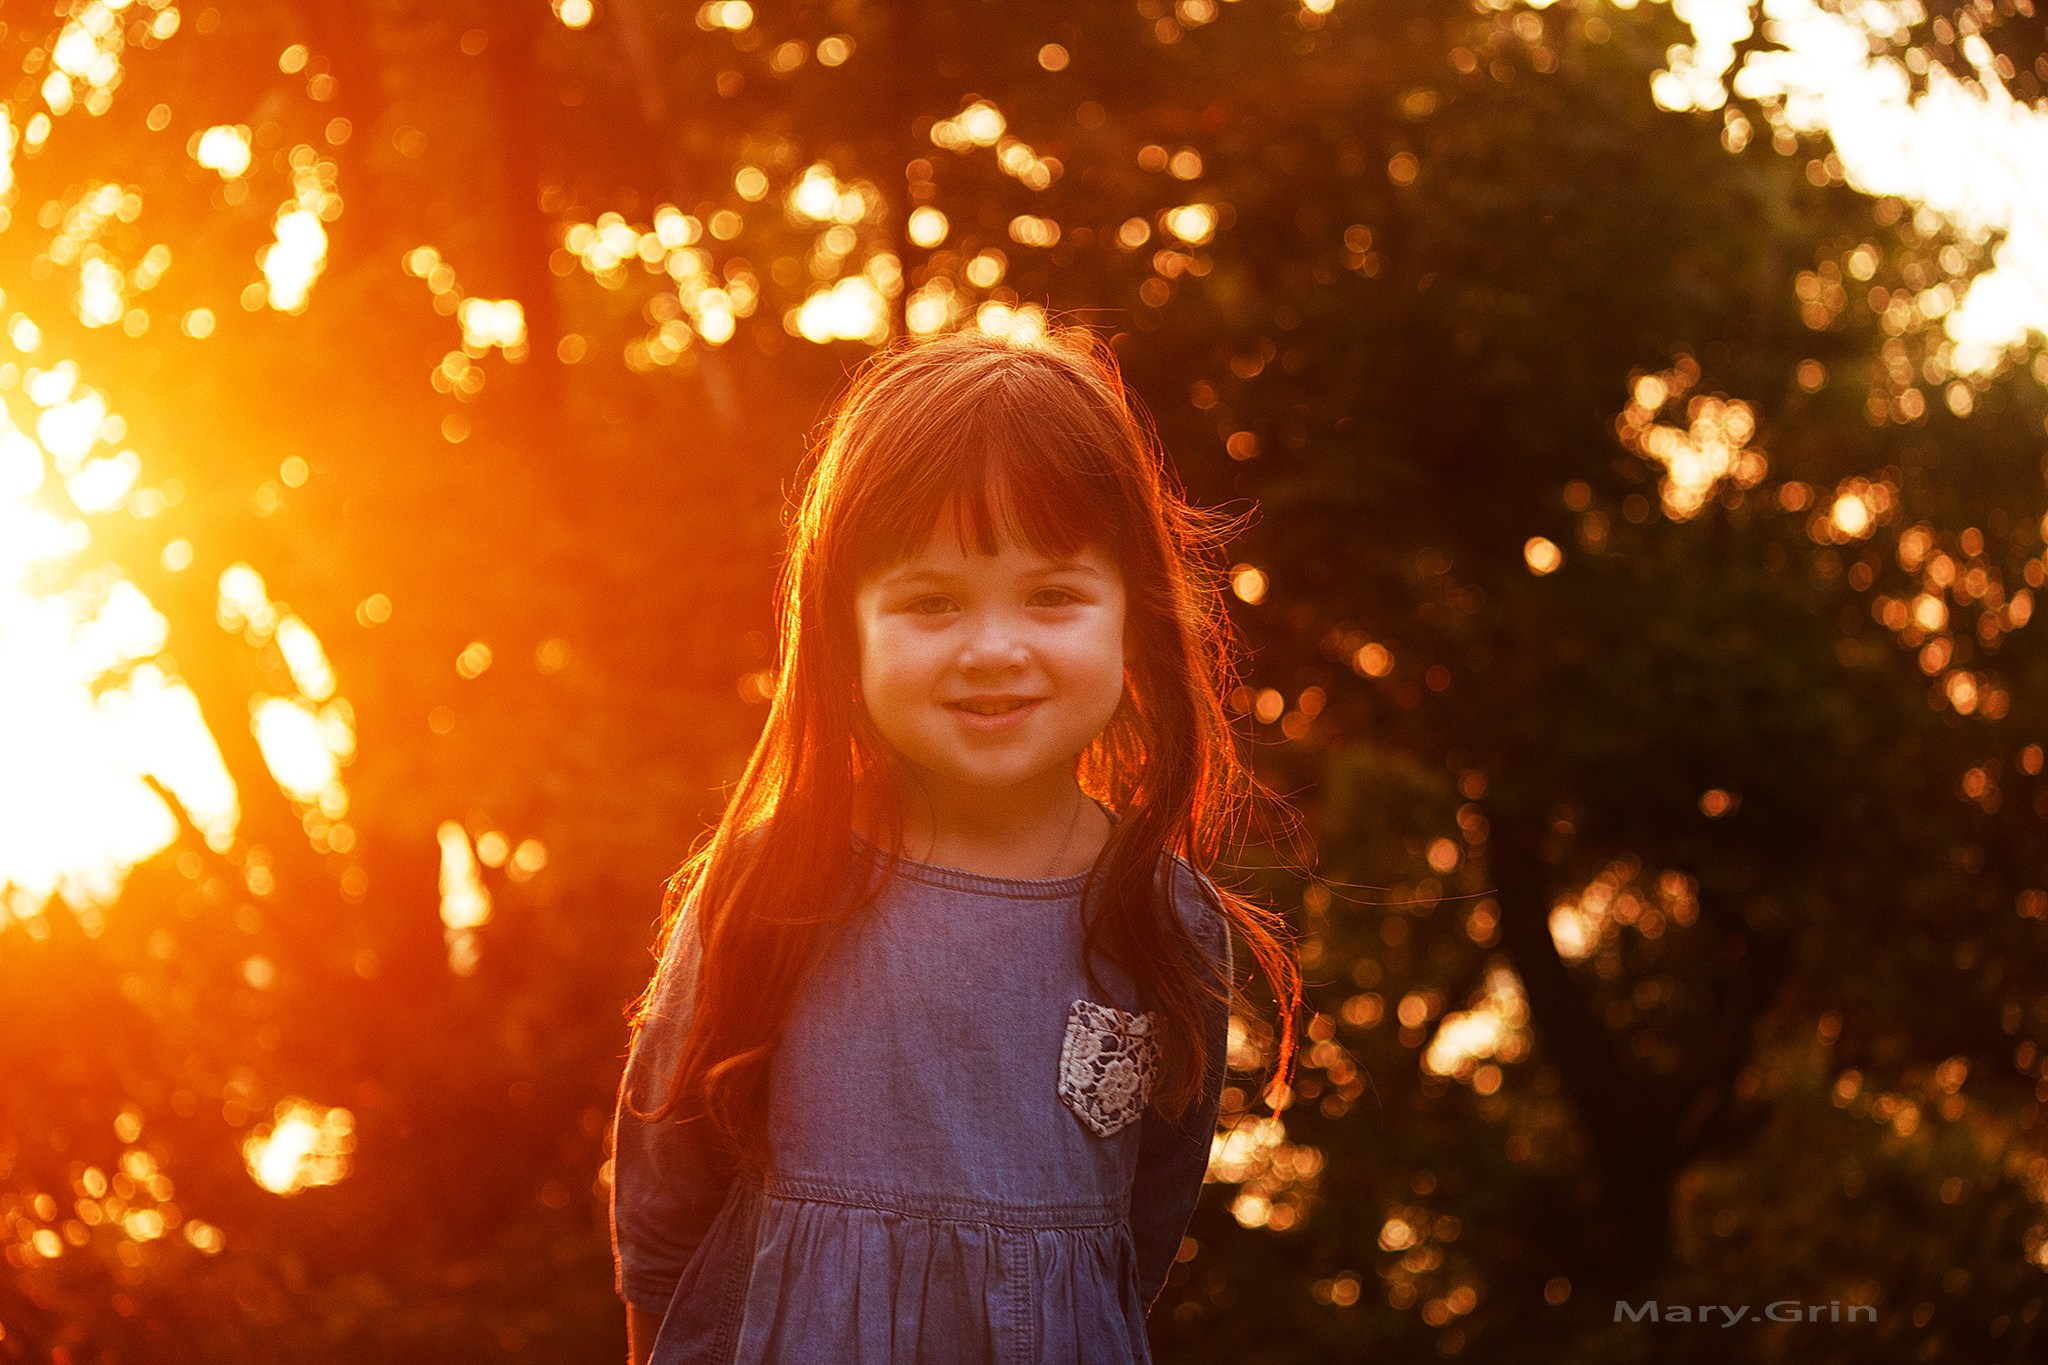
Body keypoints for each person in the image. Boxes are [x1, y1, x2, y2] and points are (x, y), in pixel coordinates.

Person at [609, 325, 1301, 1365]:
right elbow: (661, 1211)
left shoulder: (1161, 919)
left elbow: (1140, 1235)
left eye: (1052, 595)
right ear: (846, 630)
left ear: (1133, 617)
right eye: (930, 602)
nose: (992, 649)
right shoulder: (772, 884)